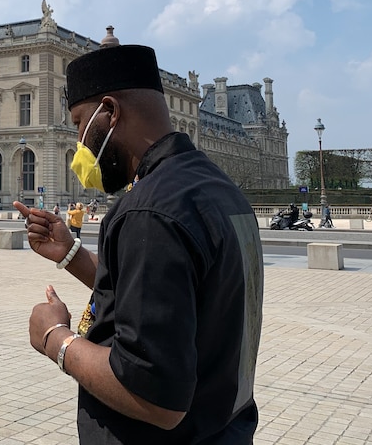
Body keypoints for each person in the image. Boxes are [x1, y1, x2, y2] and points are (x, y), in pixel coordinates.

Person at [15, 43, 263, 443]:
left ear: (110, 112)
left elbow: (153, 397)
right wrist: (71, 255)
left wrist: (56, 339)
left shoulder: (148, 209)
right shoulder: (218, 190)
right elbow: (167, 297)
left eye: (80, 123)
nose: (79, 142)